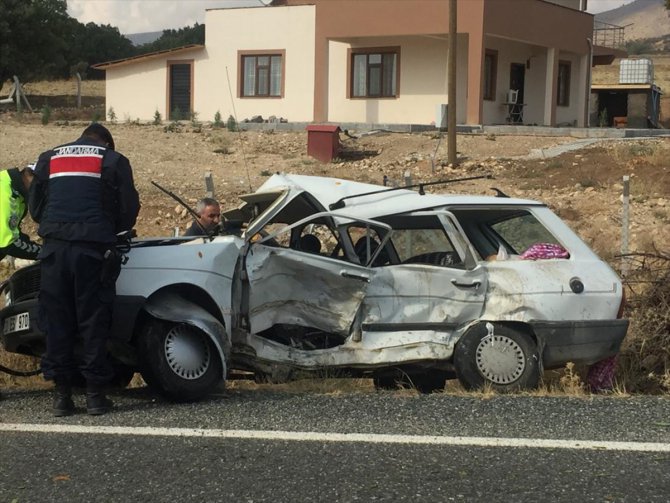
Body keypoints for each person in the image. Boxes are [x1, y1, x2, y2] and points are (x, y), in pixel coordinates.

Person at [29, 123, 140, 416]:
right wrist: (109, 230)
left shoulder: (49, 157)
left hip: (54, 250)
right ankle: (94, 395)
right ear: (106, 142)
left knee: (57, 319)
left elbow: (36, 208)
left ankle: (62, 397)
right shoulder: (112, 160)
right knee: (93, 320)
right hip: (92, 251)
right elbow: (129, 209)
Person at [0, 164, 41, 262]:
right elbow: (9, 243)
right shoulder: (7, 195)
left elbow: (13, 232)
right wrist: (44, 252)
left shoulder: (15, 190)